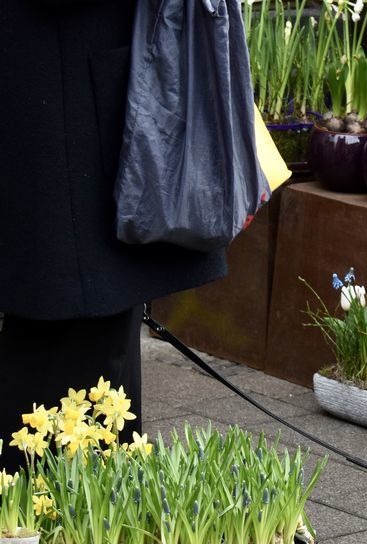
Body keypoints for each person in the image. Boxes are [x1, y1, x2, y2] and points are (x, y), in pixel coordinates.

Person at [0, 0, 228, 467]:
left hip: (70, 101)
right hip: (62, 107)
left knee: (90, 334)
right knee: (74, 335)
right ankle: (47, 526)